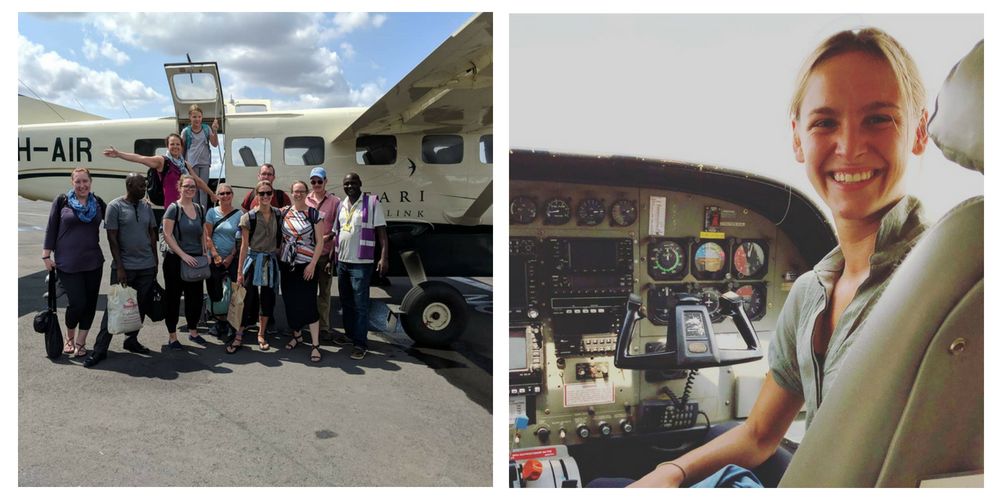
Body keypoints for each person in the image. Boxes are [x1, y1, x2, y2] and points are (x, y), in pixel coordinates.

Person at [608, 28, 931, 488]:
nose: (850, 146)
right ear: (798, 140)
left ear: (919, 132)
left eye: (879, 119)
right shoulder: (810, 292)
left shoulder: (948, 283)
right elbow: (759, 433)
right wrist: (670, 472)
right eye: (824, 122)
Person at [84, 173, 158, 368]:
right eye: (141, 185)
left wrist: (155, 262)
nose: (144, 188)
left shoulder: (146, 206)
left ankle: (131, 340)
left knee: (139, 307)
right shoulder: (115, 207)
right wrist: (120, 267)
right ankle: (100, 350)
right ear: (129, 185)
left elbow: (152, 234)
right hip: (125, 267)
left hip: (147, 266)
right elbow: (112, 239)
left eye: (145, 185)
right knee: (114, 309)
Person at [42, 167, 106, 358]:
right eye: (78, 181)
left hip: (94, 262)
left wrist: (140, 202)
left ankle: (81, 342)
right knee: (77, 303)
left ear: (91, 181)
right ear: (72, 183)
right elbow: (51, 227)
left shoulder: (98, 202)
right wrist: (46, 256)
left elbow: (118, 214)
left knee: (90, 303)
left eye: (85, 181)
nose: (82, 185)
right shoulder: (62, 201)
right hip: (67, 263)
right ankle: (69, 337)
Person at [330, 173, 388, 360]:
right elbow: (336, 234)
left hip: (361, 264)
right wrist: (332, 259)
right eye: (346, 183)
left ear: (360, 184)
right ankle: (349, 335)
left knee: (360, 305)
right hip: (343, 262)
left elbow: (382, 233)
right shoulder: (341, 205)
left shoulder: (371, 204)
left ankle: (360, 343)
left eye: (353, 183)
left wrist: (383, 258)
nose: (350, 186)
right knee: (346, 303)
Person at [103, 134, 217, 220]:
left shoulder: (185, 165)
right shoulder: (162, 161)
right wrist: (119, 154)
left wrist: (211, 194)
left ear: (181, 146)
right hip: (172, 210)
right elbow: (140, 158)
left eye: (178, 144)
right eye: (172, 144)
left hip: (187, 208)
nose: (175, 146)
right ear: (167, 146)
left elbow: (198, 181)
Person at [230, 180, 282, 354]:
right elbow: (243, 246)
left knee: (267, 298)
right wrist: (239, 272)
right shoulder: (249, 217)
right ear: (256, 195)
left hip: (269, 260)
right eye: (262, 193)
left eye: (268, 193)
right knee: (247, 298)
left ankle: (261, 334)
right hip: (252, 261)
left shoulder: (277, 214)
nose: (265, 196)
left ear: (272, 194)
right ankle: (239, 334)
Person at [162, 175, 210, 350]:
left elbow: (202, 233)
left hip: (196, 259)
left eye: (193, 187)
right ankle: (172, 336)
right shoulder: (174, 209)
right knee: (173, 299)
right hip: (176, 260)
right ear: (180, 187)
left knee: (195, 299)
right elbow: (167, 235)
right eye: (187, 186)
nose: (190, 189)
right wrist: (182, 255)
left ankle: (193, 331)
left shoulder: (200, 208)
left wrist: (206, 252)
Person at [279, 181, 325, 363]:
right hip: (287, 263)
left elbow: (320, 241)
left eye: (301, 191)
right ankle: (297, 335)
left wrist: (313, 264)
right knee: (290, 301)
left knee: (308, 302)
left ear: (307, 193)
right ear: (291, 193)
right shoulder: (284, 212)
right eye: (295, 191)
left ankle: (315, 344)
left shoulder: (314, 214)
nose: (298, 194)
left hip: (306, 265)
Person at [304, 167, 341, 340]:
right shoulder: (305, 199)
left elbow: (338, 230)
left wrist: (327, 241)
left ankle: (324, 326)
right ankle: (307, 324)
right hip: (307, 254)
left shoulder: (335, 202)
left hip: (325, 255)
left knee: (324, 293)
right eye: (313, 181)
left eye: (319, 181)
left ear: (326, 181)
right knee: (307, 292)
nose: (316, 184)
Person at [204, 182, 243, 340]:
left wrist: (231, 256)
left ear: (232, 195)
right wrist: (215, 255)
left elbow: (240, 239)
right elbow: (207, 235)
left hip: (233, 259)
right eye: (222, 193)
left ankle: (232, 323)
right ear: (217, 196)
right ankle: (220, 322)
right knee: (216, 290)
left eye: (228, 193)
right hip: (215, 258)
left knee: (233, 292)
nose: (225, 196)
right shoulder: (211, 213)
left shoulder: (240, 214)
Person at [180, 104, 219, 210]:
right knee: (194, 188)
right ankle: (195, 211)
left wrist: (214, 130)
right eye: (194, 117)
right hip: (191, 162)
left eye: (199, 117)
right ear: (190, 117)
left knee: (203, 188)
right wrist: (182, 162)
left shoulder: (206, 129)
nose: (197, 119)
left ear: (202, 117)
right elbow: (182, 148)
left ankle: (203, 212)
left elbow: (215, 144)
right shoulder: (186, 131)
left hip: (204, 161)